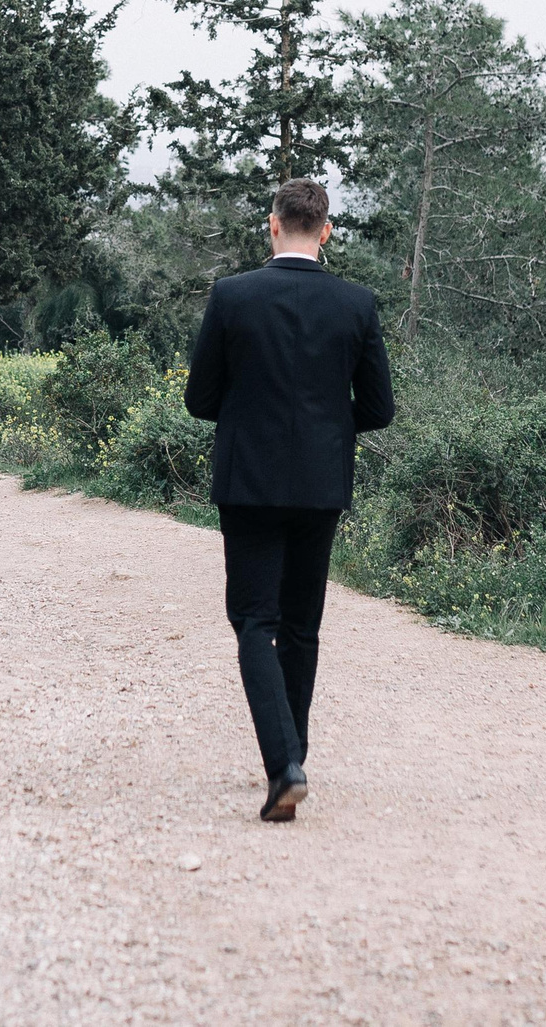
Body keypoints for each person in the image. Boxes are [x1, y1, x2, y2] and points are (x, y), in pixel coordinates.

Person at [183, 177, 395, 822]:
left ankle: (284, 767)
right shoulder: (357, 304)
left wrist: (251, 418)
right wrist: (325, 425)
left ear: (273, 225)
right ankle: (292, 756)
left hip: (249, 480)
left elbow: (200, 399)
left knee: (254, 621)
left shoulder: (233, 296)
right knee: (302, 625)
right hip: (320, 482)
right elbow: (379, 409)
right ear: (326, 231)